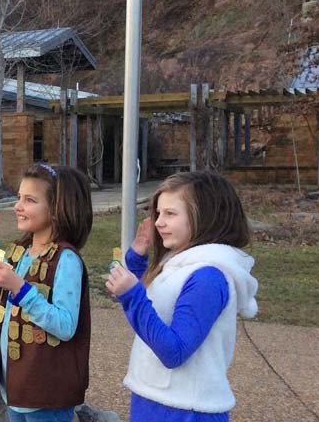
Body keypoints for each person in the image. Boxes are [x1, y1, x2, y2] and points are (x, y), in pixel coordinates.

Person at [105, 171, 258, 421]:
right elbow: (158, 307)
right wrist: (136, 262)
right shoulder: (179, 262)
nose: (157, 222)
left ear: (206, 217)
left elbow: (174, 351)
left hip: (185, 410)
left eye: (170, 214)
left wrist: (132, 295)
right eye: (158, 213)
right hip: (154, 399)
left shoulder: (208, 277)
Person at [0, 164, 94, 422]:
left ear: (57, 209)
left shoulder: (66, 259)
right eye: (19, 197)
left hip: (48, 395)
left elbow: (65, 325)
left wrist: (20, 289)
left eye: (30, 200)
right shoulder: (18, 252)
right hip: (15, 389)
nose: (17, 206)